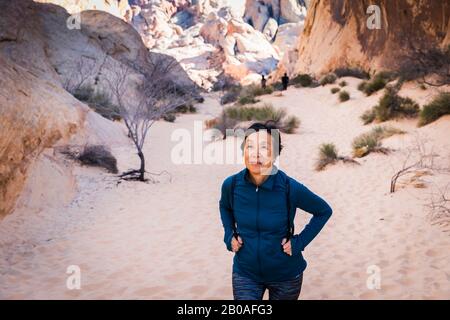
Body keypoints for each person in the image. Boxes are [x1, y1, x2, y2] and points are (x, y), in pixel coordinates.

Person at [219, 122, 332, 300]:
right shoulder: (231, 185)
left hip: (286, 276)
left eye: (264, 147)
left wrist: (299, 242)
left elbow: (323, 211)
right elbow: (225, 207)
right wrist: (229, 235)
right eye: (250, 146)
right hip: (245, 273)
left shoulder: (289, 187)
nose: (256, 154)